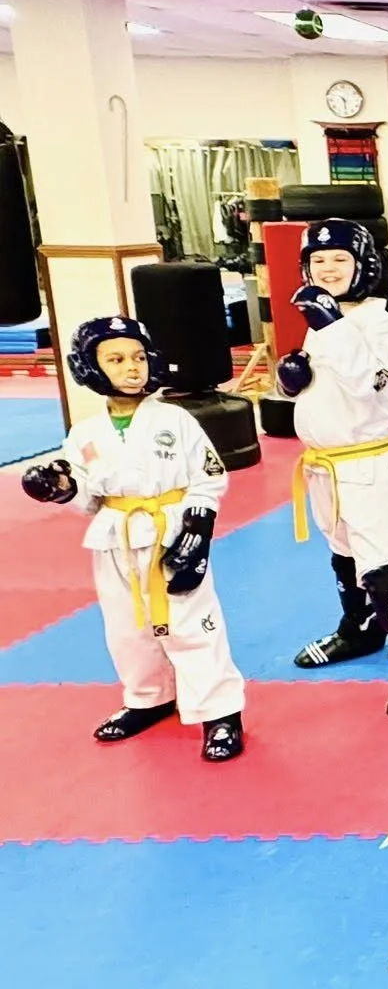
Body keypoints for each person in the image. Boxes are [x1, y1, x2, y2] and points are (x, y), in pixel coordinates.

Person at [21, 317, 247, 761]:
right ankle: (149, 696)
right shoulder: (85, 433)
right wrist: (61, 488)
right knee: (127, 627)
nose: (132, 368)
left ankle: (221, 712)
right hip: (114, 539)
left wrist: (197, 535)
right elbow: (88, 495)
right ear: (91, 367)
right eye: (117, 359)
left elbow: (209, 478)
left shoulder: (175, 419)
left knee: (191, 624)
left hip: (171, 529)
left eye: (139, 357)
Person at [280, 220, 388, 718]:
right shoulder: (319, 320)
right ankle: (360, 630)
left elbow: (372, 382)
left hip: (369, 464)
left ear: (363, 266)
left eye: (339, 261)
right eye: (318, 262)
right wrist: (292, 380)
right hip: (325, 467)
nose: (327, 269)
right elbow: (323, 390)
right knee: (343, 554)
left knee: (381, 564)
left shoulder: (377, 323)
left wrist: (331, 326)